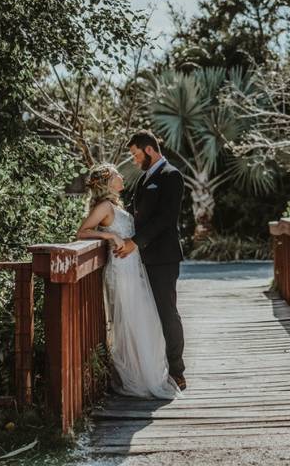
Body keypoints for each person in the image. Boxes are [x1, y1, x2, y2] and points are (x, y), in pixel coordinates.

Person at [76, 163, 179, 399]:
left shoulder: (114, 205)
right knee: (131, 321)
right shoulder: (103, 206)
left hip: (133, 268)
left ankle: (144, 375)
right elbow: (82, 232)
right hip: (121, 270)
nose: (121, 177)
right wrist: (109, 234)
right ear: (108, 182)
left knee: (141, 320)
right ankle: (135, 379)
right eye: (116, 174)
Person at [117, 130, 187, 391]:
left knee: (167, 312)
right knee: (148, 313)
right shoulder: (145, 178)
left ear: (149, 150)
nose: (134, 161)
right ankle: (154, 368)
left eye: (136, 154)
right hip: (140, 258)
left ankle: (177, 371)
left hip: (163, 257)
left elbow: (166, 218)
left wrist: (135, 242)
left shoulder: (171, 175)